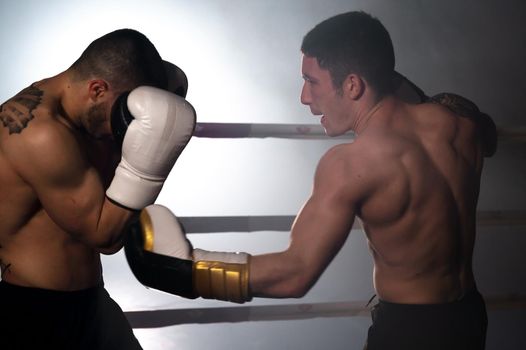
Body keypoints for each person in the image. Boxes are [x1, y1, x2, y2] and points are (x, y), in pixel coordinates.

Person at [124, 11, 496, 350]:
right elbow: (457, 109)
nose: (304, 97)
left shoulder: (351, 164)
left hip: (409, 332)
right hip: (468, 319)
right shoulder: (461, 127)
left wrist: (190, 270)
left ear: (352, 85)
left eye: (311, 81)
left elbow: (295, 274)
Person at [0, 28, 195, 349]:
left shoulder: (92, 110)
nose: (119, 126)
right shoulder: (39, 133)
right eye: (118, 114)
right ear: (97, 89)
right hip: (33, 315)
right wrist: (152, 155)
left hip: (92, 302)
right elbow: (104, 236)